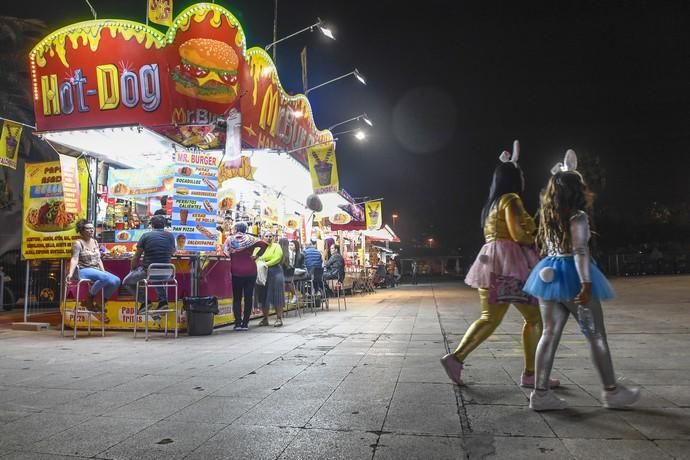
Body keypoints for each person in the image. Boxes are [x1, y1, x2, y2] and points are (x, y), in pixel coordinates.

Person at [523, 150, 640, 411]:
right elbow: (579, 251)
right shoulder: (578, 216)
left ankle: (540, 394)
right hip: (574, 278)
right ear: (577, 189)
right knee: (596, 335)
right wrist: (586, 284)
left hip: (548, 275)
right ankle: (611, 391)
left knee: (549, 334)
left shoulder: (548, 215)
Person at [440, 140, 557, 389]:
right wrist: (537, 239)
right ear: (514, 178)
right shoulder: (511, 199)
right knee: (535, 318)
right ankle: (530, 374)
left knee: (489, 318)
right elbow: (518, 235)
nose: (524, 177)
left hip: (490, 263)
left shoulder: (491, 205)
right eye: (521, 174)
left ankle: (456, 358)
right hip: (510, 266)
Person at [123, 215, 176, 314]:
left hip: (150, 271)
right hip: (168, 272)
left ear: (151, 225)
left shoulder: (146, 236)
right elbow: (173, 251)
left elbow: (136, 256)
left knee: (126, 282)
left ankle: (145, 301)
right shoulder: (170, 236)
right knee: (156, 276)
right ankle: (163, 302)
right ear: (164, 225)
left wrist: (132, 270)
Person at [67, 219, 121, 316]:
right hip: (82, 270)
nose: (91, 230)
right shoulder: (78, 243)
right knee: (105, 277)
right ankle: (90, 299)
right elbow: (74, 259)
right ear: (82, 230)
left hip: (95, 269)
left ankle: (101, 302)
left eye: (92, 228)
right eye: (88, 229)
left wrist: (103, 271)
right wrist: (70, 274)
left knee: (116, 280)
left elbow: (98, 259)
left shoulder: (95, 242)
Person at [223, 222, 267, 330]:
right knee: (248, 297)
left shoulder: (230, 239)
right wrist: (256, 255)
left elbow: (225, 252)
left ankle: (238, 323)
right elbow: (265, 244)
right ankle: (245, 323)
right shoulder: (251, 239)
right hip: (250, 271)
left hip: (236, 271)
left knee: (237, 298)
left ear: (236, 228)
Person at [255, 232, 286, 327]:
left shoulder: (276, 246)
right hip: (261, 272)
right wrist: (261, 263)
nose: (268, 238)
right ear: (262, 237)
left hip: (275, 271)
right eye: (266, 236)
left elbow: (277, 258)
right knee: (263, 295)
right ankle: (265, 318)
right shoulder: (258, 247)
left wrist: (265, 263)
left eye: (270, 236)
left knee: (277, 295)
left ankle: (279, 318)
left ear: (273, 238)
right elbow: (255, 258)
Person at [279, 237, 298, 304]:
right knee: (287, 282)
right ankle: (292, 296)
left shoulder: (281, 252)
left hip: (285, 273)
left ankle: (282, 298)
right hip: (290, 272)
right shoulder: (290, 252)